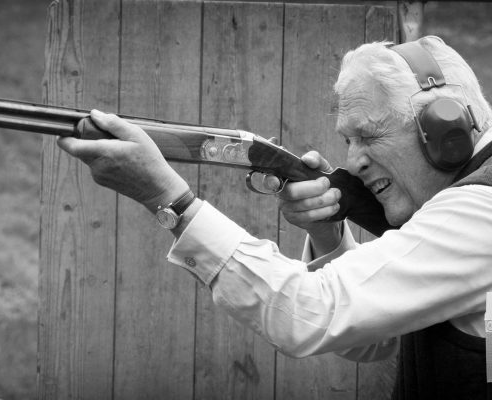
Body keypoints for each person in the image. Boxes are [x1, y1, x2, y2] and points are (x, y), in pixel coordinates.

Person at [57, 36, 492, 399]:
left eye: (369, 135)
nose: (354, 161)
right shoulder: (461, 207)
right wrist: (327, 232)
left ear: (444, 128)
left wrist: (169, 199)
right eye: (348, 140)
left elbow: (309, 314)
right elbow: (371, 338)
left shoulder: (478, 213)